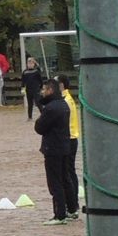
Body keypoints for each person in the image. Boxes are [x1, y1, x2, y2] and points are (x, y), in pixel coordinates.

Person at [34, 80, 77, 224]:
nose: (42, 92)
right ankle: (72, 209)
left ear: (50, 90)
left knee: (55, 182)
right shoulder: (63, 104)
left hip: (53, 148)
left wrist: (42, 107)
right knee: (66, 179)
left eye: (44, 90)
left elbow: (39, 127)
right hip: (65, 146)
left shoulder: (52, 108)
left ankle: (59, 214)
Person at [60, 74, 82, 207]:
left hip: (70, 138)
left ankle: (73, 202)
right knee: (70, 171)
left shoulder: (66, 100)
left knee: (69, 172)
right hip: (71, 138)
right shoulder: (67, 98)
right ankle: (73, 201)